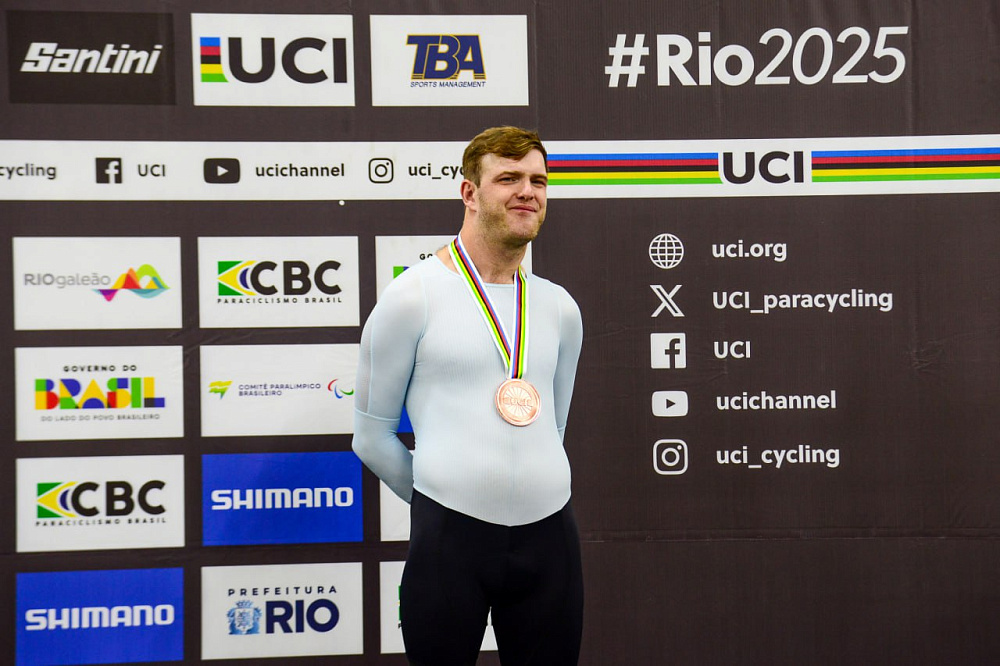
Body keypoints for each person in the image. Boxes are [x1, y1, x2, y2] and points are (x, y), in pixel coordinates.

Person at [352, 126, 585, 665]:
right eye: (509, 178)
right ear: (469, 193)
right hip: (449, 541)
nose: (527, 192)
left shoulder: (559, 307)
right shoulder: (412, 296)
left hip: (551, 539)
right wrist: (441, 498)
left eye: (538, 181)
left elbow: (552, 429)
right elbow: (371, 436)